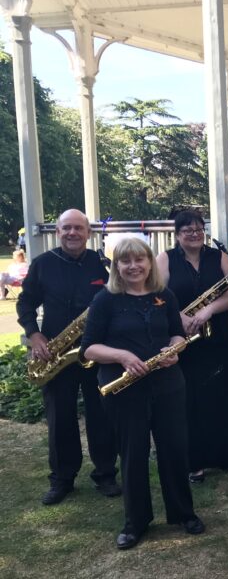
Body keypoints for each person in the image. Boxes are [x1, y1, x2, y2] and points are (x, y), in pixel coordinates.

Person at [81, 238, 205, 550]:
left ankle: (183, 513)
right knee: (133, 454)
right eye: (126, 261)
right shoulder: (104, 300)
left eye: (140, 260)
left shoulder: (165, 295)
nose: (134, 266)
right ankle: (135, 523)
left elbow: (177, 331)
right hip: (124, 388)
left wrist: (174, 348)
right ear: (117, 266)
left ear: (149, 262)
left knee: (175, 449)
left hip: (167, 384)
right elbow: (88, 348)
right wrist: (122, 356)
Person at [17, 209, 119, 505]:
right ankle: (62, 478)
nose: (72, 233)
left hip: (96, 350)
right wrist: (34, 335)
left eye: (78, 228)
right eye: (66, 228)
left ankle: (105, 474)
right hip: (56, 351)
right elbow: (25, 303)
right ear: (58, 232)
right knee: (60, 417)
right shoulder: (42, 265)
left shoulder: (102, 265)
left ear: (88, 233)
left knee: (102, 413)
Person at [156, 211, 228, 484]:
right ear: (177, 234)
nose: (194, 233)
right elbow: (158, 294)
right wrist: (180, 317)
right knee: (189, 400)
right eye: (187, 230)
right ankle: (193, 462)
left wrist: (209, 310)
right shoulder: (166, 259)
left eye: (198, 228)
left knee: (224, 395)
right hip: (182, 336)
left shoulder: (218, 256)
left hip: (217, 334)